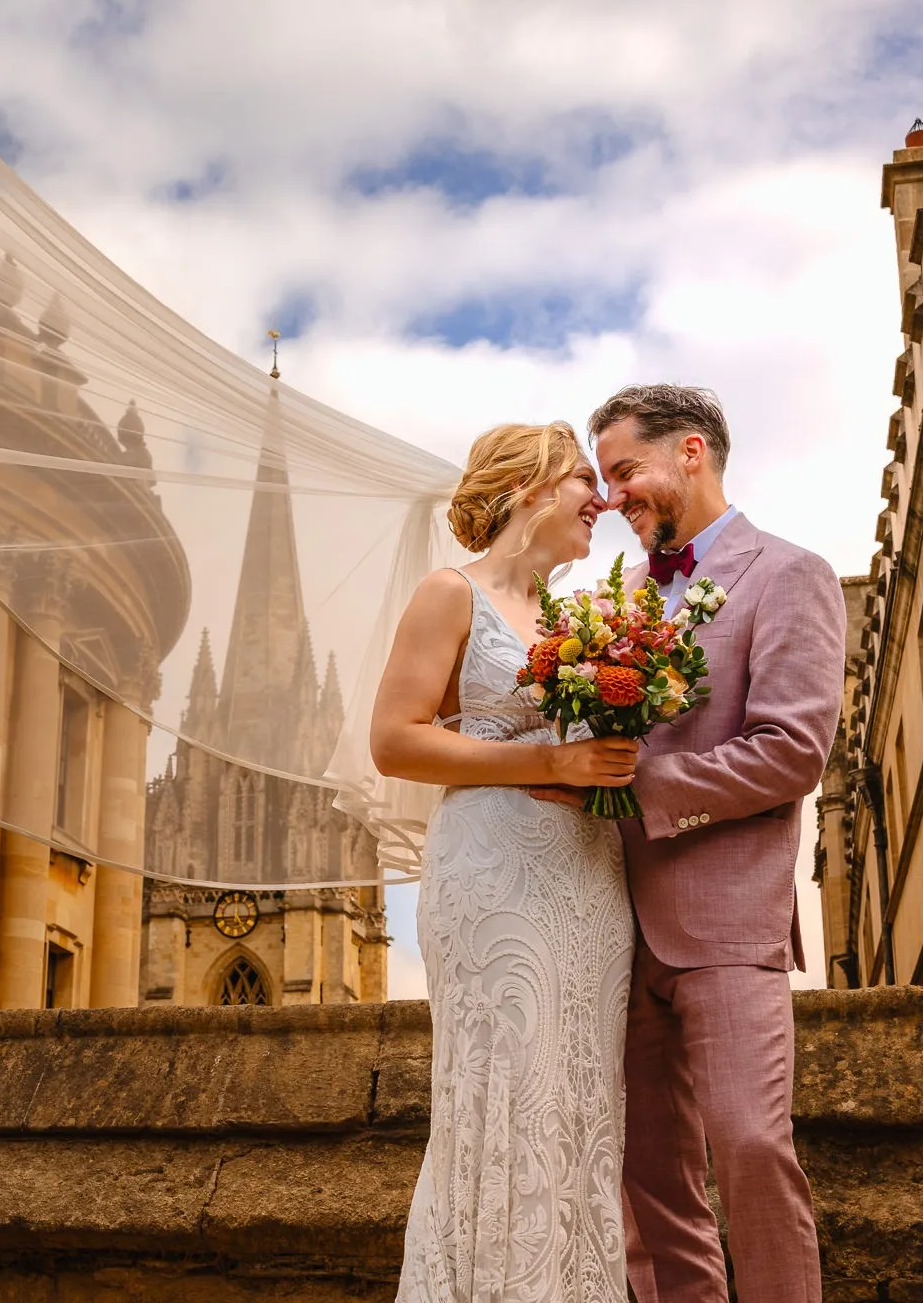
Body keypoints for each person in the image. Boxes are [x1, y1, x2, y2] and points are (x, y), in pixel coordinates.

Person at [547, 384, 844, 1303]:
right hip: (612, 924)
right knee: (650, 1181)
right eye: (602, 479)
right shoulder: (615, 600)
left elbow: (794, 751)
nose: (613, 496)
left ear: (691, 453)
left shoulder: (791, 573)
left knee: (752, 1146)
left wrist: (644, 787)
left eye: (625, 471)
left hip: (726, 921)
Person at [373, 421, 642, 1302]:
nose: (599, 500)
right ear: (529, 490)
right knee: (506, 1085)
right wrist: (548, 761)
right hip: (493, 875)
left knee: (581, 1102)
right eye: (580, 482)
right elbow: (395, 741)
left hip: (587, 878)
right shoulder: (450, 595)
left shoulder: (581, 619)